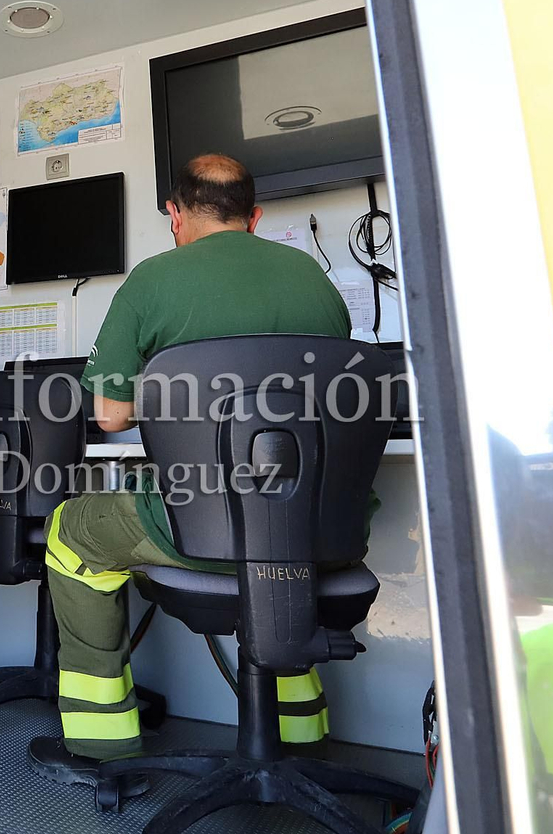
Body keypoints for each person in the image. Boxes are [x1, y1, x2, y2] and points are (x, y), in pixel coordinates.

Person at [29, 154, 353, 786]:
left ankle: (103, 743)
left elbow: (112, 418)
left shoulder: (153, 280)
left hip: (196, 530)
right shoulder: (315, 279)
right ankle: (300, 727)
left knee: (70, 533)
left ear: (175, 213)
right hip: (319, 534)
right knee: (277, 535)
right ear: (254, 217)